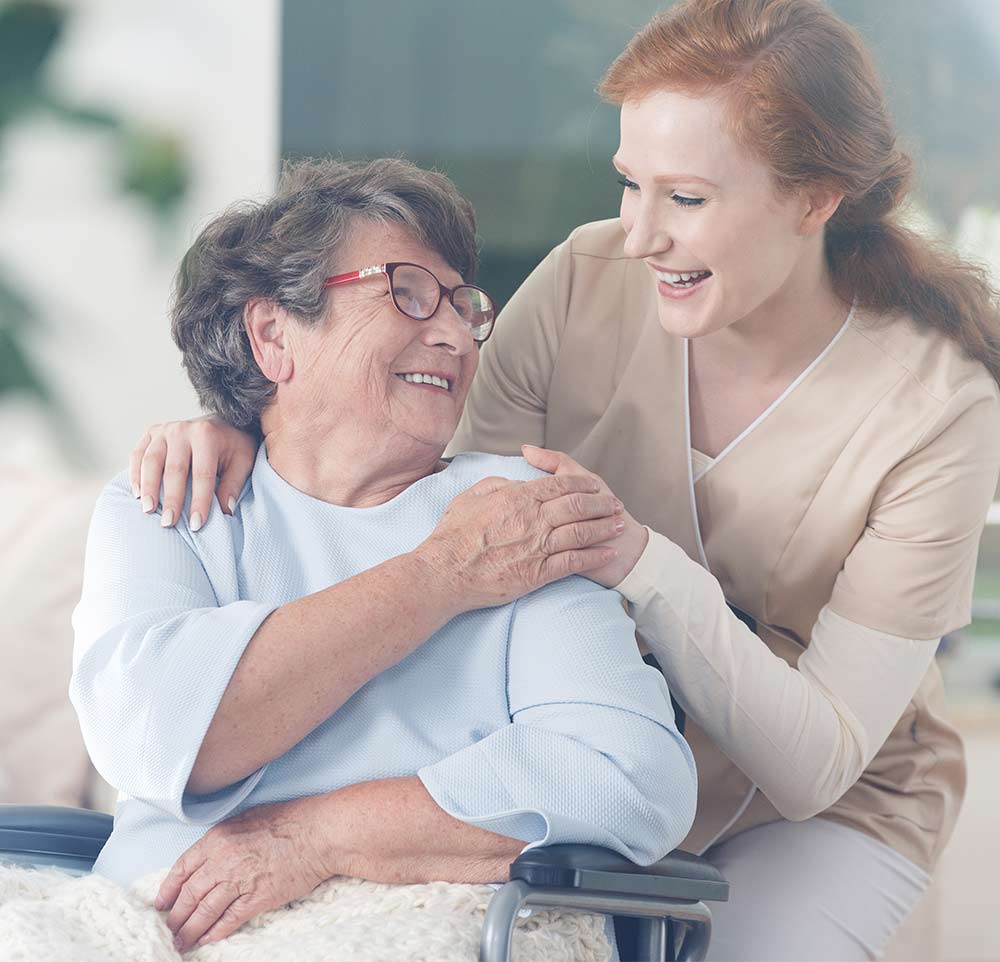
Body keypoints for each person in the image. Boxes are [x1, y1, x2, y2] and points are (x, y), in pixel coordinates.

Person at [128, 0, 1000, 958]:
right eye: (631, 184)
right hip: (583, 744)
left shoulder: (939, 407)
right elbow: (440, 496)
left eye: (689, 199)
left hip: (816, 802)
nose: (639, 235)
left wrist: (636, 559)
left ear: (814, 199)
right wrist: (253, 420)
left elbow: (814, 764)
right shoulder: (589, 277)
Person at [70, 157, 697, 953]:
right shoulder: (173, 499)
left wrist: (316, 837)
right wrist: (445, 576)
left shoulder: (514, 515)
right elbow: (157, 734)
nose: (452, 334)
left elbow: (629, 775)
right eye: (406, 292)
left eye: (463, 305)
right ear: (273, 335)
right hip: (159, 928)